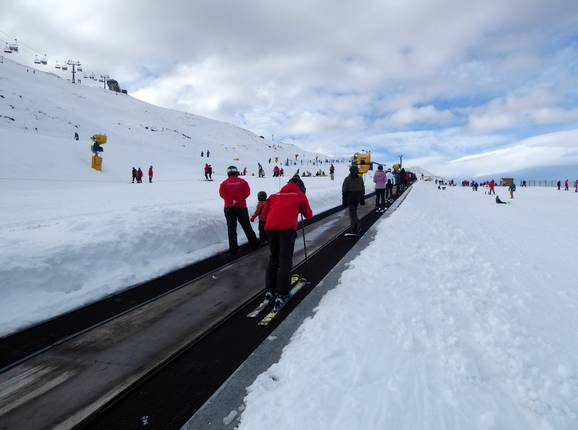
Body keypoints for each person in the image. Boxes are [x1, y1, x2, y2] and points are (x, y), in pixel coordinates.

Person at [262, 175, 313, 310]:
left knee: (274, 258)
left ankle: (270, 290)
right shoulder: (299, 195)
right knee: (285, 260)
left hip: (271, 228)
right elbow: (308, 215)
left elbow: (265, 213)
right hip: (286, 229)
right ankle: (282, 293)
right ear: (301, 187)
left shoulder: (274, 195)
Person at [219, 166, 259, 256]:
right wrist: (238, 200)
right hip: (241, 207)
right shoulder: (243, 182)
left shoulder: (224, 183)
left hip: (229, 208)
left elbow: (222, 194)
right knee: (247, 227)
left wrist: (231, 201)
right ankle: (254, 245)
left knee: (231, 229)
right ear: (236, 172)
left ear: (228, 173)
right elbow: (247, 192)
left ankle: (233, 251)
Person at [342, 165, 365, 235]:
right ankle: (354, 228)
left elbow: (344, 190)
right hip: (357, 198)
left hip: (351, 199)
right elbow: (362, 189)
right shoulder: (360, 178)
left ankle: (357, 227)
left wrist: (344, 200)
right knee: (353, 213)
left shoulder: (347, 179)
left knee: (352, 214)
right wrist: (362, 199)